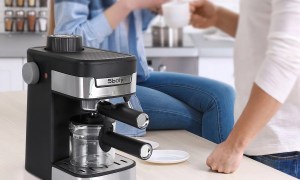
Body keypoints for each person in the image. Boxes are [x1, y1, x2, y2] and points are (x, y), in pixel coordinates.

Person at [52, 0, 235, 144]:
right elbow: (68, 44)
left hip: (136, 75)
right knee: (206, 117)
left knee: (223, 95)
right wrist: (127, 4)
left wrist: (153, 8)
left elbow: (130, 32)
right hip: (101, 86)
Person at [190, 0, 300, 178]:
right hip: (264, 138)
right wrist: (218, 17)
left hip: (281, 146)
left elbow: (284, 60)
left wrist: (235, 144)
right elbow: (262, 31)